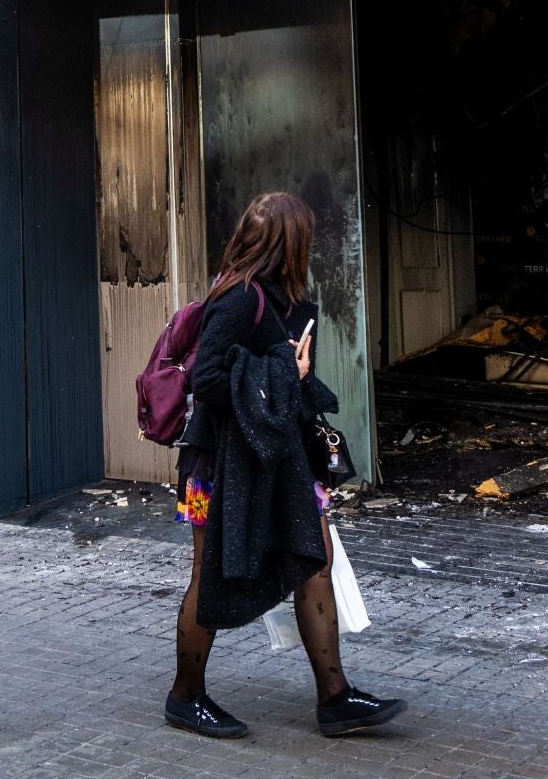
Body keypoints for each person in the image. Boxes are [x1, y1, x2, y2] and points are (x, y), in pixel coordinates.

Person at [166, 190, 408, 740]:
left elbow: (279, 385)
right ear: (289, 242)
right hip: (220, 464)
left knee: (314, 560)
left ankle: (336, 698)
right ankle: (185, 696)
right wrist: (285, 373)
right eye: (307, 236)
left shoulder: (288, 301)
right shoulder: (238, 299)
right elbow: (206, 383)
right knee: (209, 573)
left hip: (283, 461)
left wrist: (293, 382)